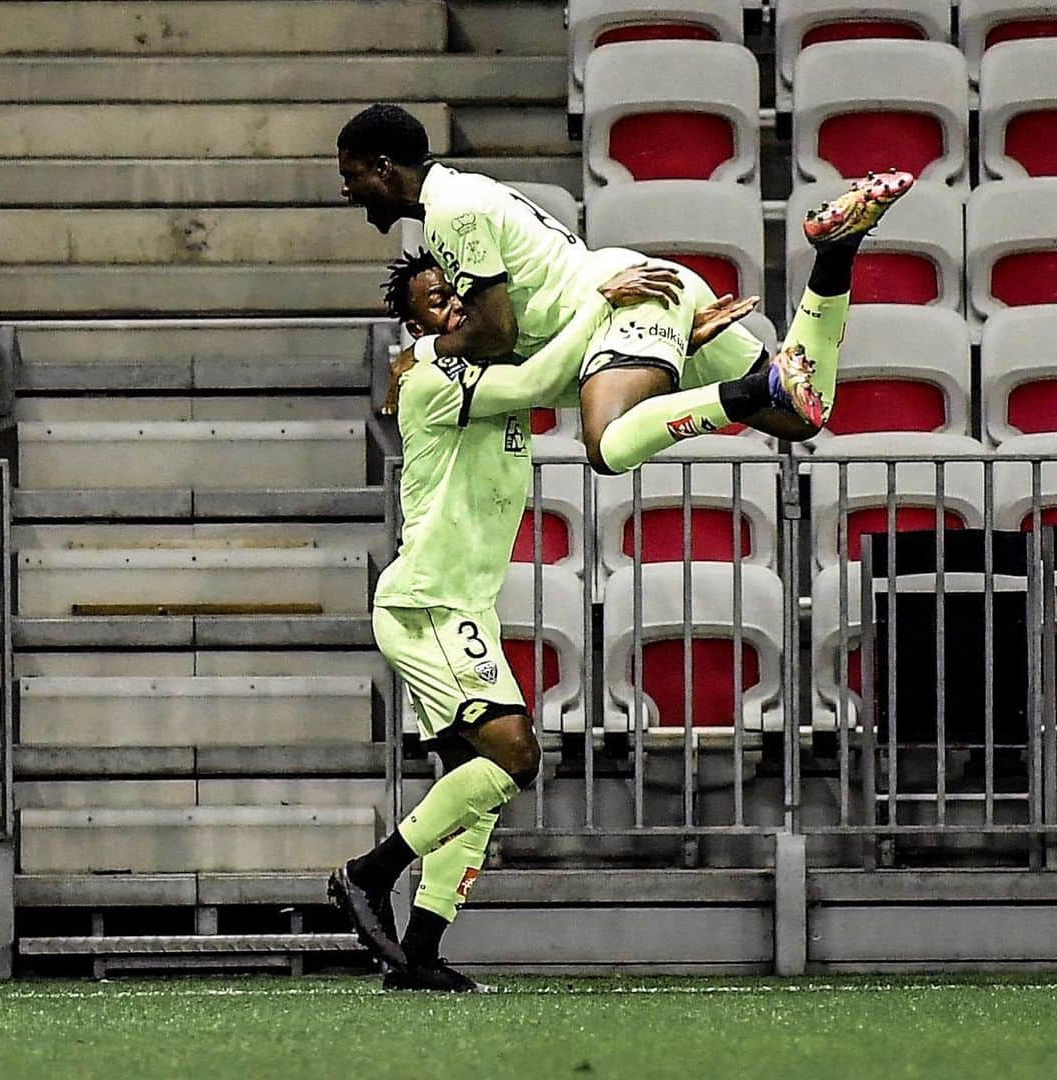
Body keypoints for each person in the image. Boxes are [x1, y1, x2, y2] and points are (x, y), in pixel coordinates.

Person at [332, 254, 755, 992]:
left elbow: (586, 381)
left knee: (478, 778)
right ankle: (368, 876)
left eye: (460, 294)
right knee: (515, 757)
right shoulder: (436, 377)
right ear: (414, 327)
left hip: (454, 604)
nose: (455, 308)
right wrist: (602, 298)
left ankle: (420, 953)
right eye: (435, 304)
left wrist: (674, 344)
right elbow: (539, 382)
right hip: (429, 600)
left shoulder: (489, 371)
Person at [336, 103, 914, 475]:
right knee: (797, 417)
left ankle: (758, 383)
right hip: (641, 302)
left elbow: (497, 331)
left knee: (606, 445)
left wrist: (426, 350)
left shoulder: (448, 212)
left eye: (351, 175)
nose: (348, 191)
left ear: (384, 167)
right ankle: (836, 252)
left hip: (625, 307)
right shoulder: (468, 192)